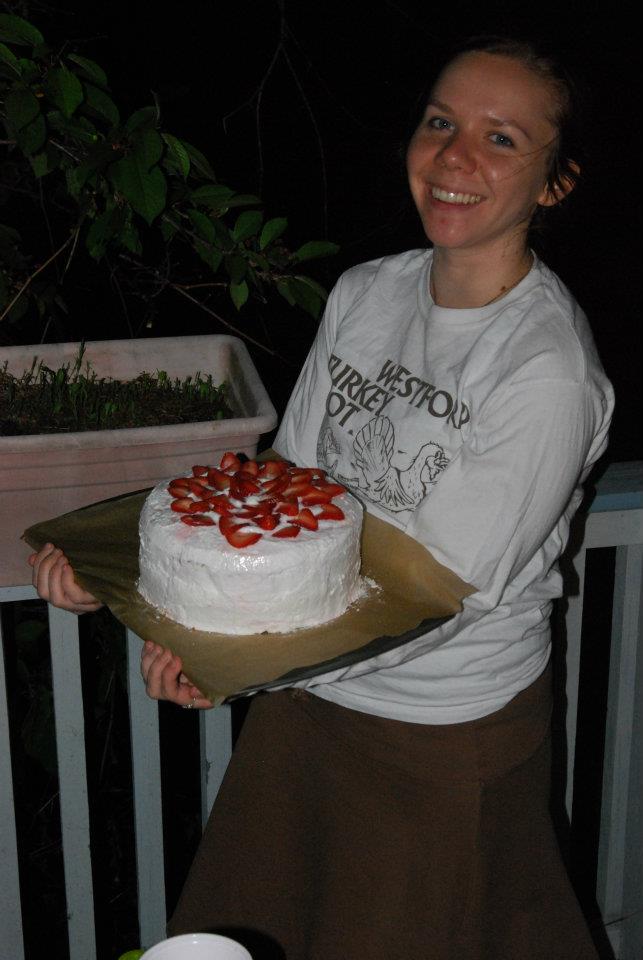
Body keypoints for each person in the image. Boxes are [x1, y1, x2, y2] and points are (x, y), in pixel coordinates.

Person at [31, 37, 614, 960]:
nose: (454, 157)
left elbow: (440, 594)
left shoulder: (545, 370)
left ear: (556, 183)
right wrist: (128, 578)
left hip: (437, 726)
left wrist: (231, 661)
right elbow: (283, 487)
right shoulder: (365, 292)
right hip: (307, 705)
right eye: (440, 122)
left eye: (501, 138)